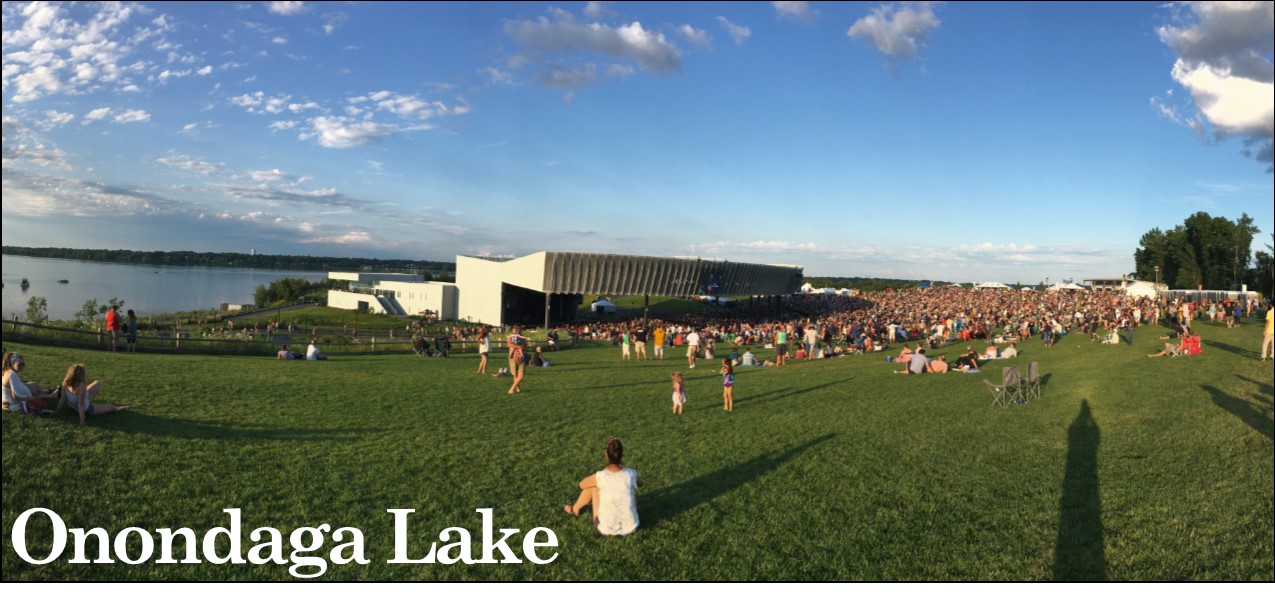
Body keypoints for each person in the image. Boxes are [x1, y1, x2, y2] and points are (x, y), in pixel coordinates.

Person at [563, 438, 643, 536]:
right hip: (632, 527)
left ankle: (575, 509)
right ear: (622, 455)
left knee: (593, 487)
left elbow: (581, 484)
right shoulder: (631, 473)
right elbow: (640, 484)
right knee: (627, 488)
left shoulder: (601, 476)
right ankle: (575, 509)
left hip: (605, 529)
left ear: (606, 455)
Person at [57, 363, 131, 425]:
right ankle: (121, 408)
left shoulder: (65, 383)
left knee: (97, 383)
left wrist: (57, 411)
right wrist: (82, 421)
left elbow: (63, 399)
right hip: (87, 410)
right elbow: (81, 404)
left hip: (74, 408)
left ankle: (89, 401)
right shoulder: (81, 385)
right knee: (112, 408)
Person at [507, 326, 526, 394]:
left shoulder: (522, 337)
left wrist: (520, 346)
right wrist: (518, 346)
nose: (518, 330)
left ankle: (511, 389)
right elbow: (509, 344)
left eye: (518, 329)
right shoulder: (510, 336)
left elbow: (524, 345)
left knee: (521, 375)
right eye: (516, 329)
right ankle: (517, 387)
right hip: (513, 357)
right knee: (515, 374)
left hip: (521, 357)